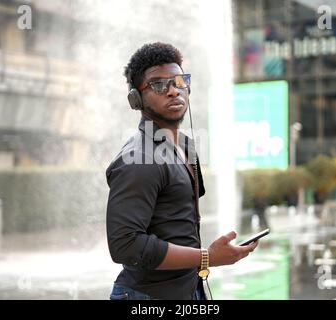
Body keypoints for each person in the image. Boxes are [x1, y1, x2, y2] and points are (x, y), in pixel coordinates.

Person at [106, 42, 259, 300]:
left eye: (179, 81)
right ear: (136, 98)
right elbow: (125, 246)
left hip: (189, 288)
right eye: (158, 84)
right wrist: (207, 257)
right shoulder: (138, 158)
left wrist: (205, 258)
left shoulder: (186, 146)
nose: (173, 91)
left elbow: (177, 223)